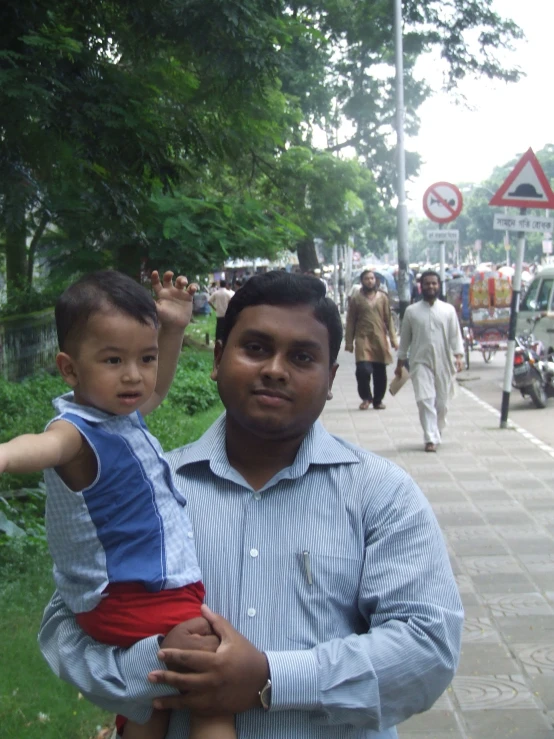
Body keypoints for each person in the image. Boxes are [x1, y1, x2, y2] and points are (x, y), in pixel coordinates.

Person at [39, 271, 463, 739]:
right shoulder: (147, 487)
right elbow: (65, 630)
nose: (275, 370)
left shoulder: (382, 494)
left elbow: (428, 648)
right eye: (256, 348)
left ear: (330, 380)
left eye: (302, 357)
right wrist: (158, 662)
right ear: (218, 359)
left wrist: (270, 677)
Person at [0, 270, 235, 739]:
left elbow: (158, 389)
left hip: (149, 591)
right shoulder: (75, 433)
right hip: (129, 595)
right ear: (69, 369)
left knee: (154, 706)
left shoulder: (121, 416)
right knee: (213, 688)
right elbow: (38, 447)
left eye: (144, 358)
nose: (134, 375)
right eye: (113, 360)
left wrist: (171, 328)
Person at [395, 270, 464, 453]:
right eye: (427, 284)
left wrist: (459, 356)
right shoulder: (412, 312)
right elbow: (405, 339)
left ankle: (437, 428)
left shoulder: (448, 310)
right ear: (421, 286)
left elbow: (455, 336)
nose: (430, 287)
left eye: (434, 283)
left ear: (438, 286)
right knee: (425, 400)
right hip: (419, 361)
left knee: (442, 403)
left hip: (444, 361)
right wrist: (400, 363)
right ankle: (430, 438)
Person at [345, 270, 398, 410]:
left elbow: (389, 319)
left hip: (379, 338)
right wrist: (349, 342)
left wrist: (393, 339)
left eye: (372, 278)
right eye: (367, 279)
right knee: (363, 370)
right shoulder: (356, 298)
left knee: (380, 372)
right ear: (362, 281)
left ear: (376, 280)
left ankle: (378, 400)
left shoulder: (383, 297)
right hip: (362, 338)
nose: (370, 281)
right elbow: (350, 321)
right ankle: (366, 397)